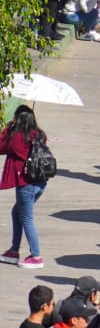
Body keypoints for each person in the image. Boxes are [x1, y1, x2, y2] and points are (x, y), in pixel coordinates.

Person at [0, 106, 49, 268]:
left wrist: (7, 129)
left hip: (26, 182)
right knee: (17, 213)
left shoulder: (18, 136)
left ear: (18, 119)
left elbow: (2, 147)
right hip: (39, 181)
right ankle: (14, 251)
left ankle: (36, 256)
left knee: (26, 218)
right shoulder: (39, 134)